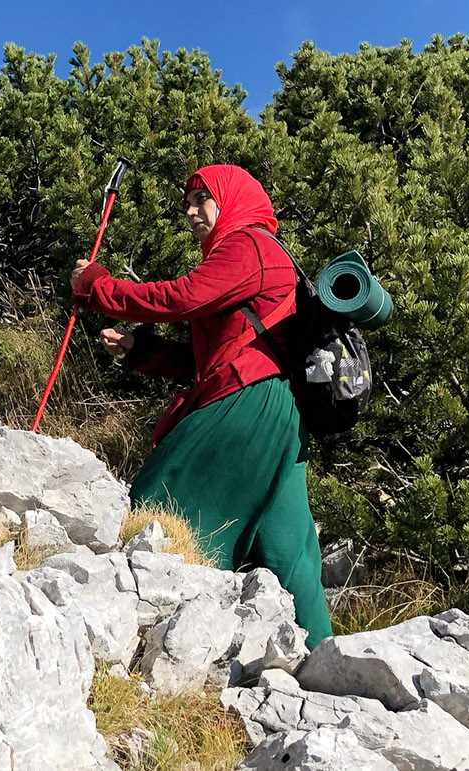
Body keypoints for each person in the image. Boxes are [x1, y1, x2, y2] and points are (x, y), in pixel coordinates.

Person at [70, 164, 333, 649]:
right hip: (275, 411)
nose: (190, 212)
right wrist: (141, 350)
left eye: (200, 199)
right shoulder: (257, 254)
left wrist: (98, 288)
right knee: (288, 550)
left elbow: (182, 298)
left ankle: (124, 634)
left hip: (244, 405)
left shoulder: (248, 245)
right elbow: (208, 359)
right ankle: (325, 660)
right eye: (187, 202)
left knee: (156, 503)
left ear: (229, 201)